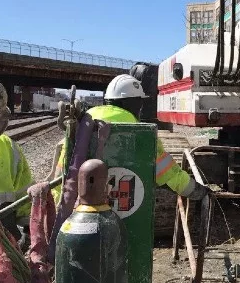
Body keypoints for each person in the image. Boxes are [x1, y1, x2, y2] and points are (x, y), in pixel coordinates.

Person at [54, 74, 208, 200]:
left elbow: (62, 170)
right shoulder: (140, 131)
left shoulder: (84, 120)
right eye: (139, 104)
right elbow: (168, 173)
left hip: (73, 202)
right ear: (133, 103)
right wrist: (197, 192)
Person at [0, 80, 33, 243]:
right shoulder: (8, 146)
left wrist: (28, 227)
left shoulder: (9, 147)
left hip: (4, 240)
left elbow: (23, 190)